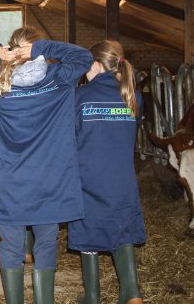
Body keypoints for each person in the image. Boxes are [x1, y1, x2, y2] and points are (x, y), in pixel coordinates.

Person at [0, 27, 93, 303]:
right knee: (45, 244)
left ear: (13, 49)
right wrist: (43, 48)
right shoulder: (58, 79)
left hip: (11, 182)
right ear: (34, 48)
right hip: (51, 180)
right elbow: (84, 57)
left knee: (11, 247)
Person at [69, 40, 146, 304]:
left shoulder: (79, 97)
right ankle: (132, 292)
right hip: (123, 178)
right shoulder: (133, 96)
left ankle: (92, 297)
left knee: (88, 231)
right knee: (122, 226)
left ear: (95, 65)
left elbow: (72, 138)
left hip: (89, 177)